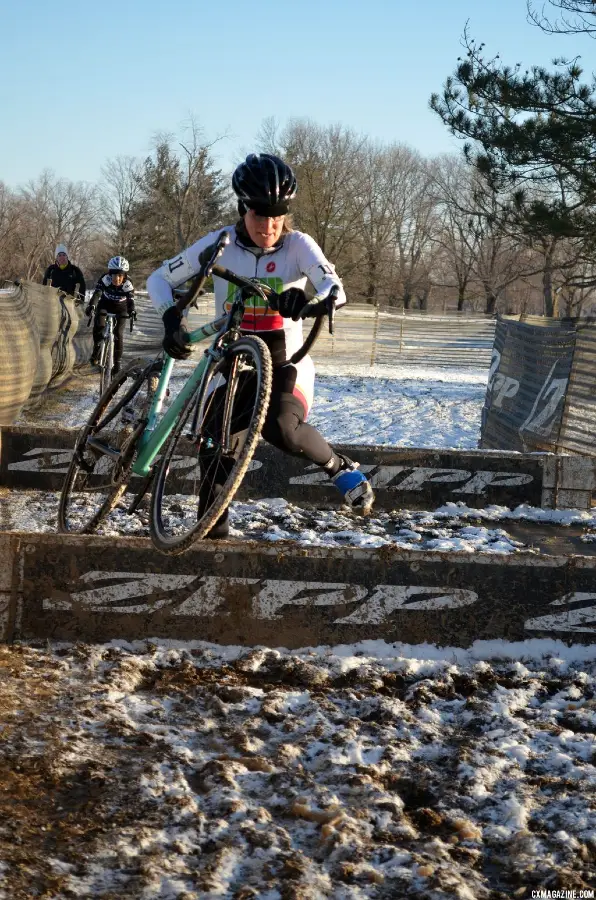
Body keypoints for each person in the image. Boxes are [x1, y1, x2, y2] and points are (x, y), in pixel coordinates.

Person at [146, 153, 374, 538]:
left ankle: (339, 466)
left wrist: (310, 302)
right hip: (232, 364)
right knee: (214, 443)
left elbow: (336, 289)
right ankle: (211, 534)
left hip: (287, 363)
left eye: (277, 215)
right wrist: (171, 316)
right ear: (242, 208)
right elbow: (158, 280)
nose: (268, 226)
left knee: (281, 429)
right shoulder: (220, 243)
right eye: (258, 215)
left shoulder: (298, 246)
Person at [85, 256, 136, 377]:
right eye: (114, 275)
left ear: (124, 275)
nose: (117, 279)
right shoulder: (105, 279)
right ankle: (96, 351)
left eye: (120, 275)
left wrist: (132, 311)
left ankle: (117, 363)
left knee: (118, 333)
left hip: (121, 307)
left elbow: (130, 300)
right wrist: (92, 305)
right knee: (99, 325)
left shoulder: (128, 283)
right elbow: (97, 294)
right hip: (105, 304)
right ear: (110, 274)